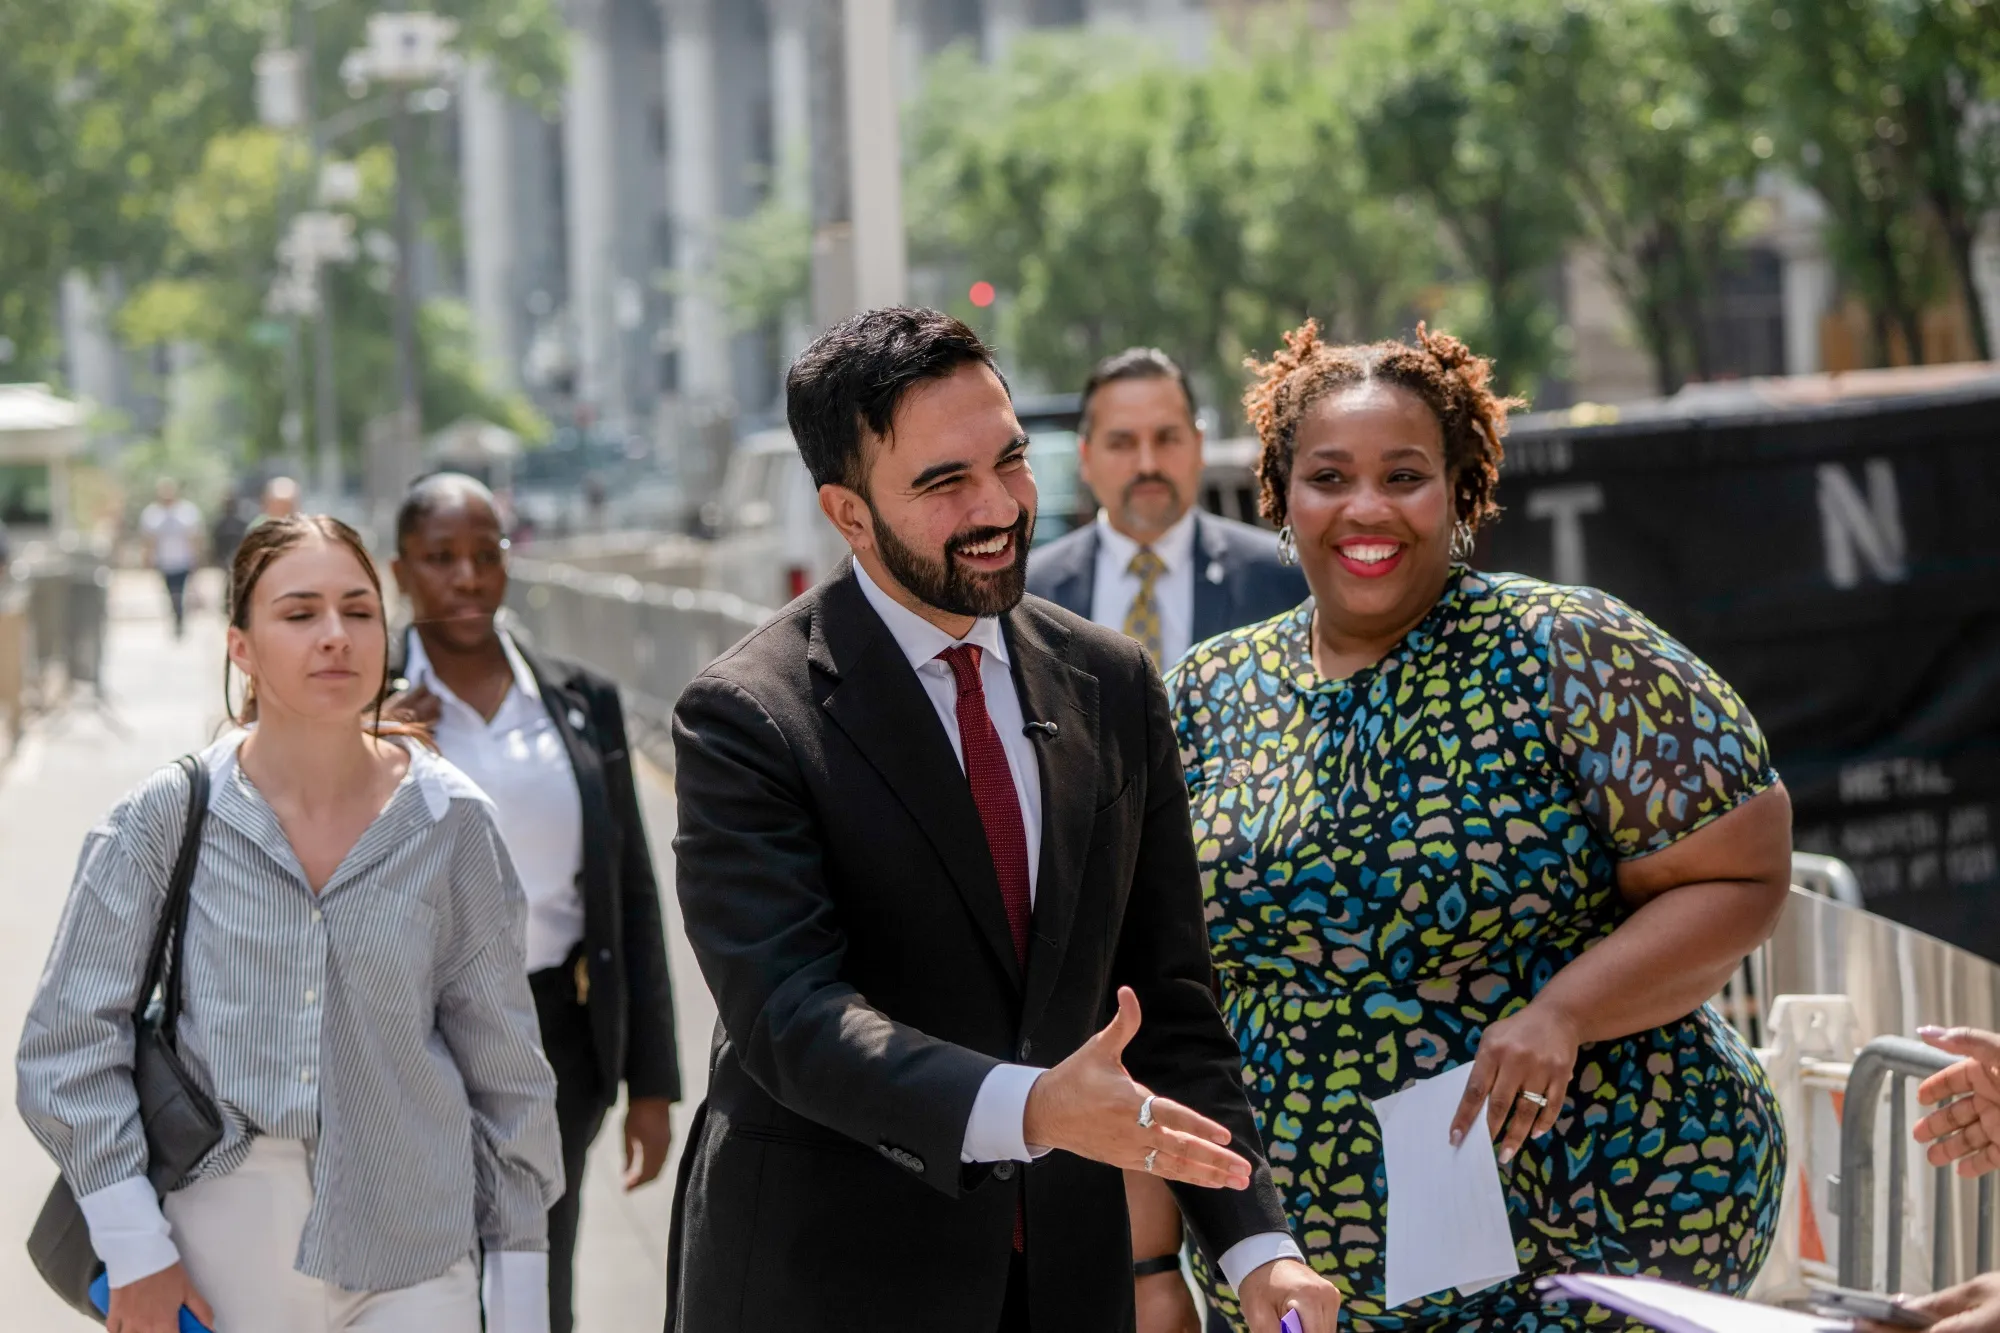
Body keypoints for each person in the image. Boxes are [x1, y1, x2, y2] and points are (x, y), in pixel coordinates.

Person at [667, 307, 1342, 1333]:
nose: (999, 506)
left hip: (1066, 1281)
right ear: (848, 516)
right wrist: (1031, 1107)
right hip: (829, 1280)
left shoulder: (1110, 682)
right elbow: (790, 1019)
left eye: (1012, 460)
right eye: (943, 483)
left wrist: (1258, 1249)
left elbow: (1165, 1001)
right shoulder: (747, 716)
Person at [1158, 321, 1794, 1330]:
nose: (1365, 508)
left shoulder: (1564, 650)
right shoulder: (1206, 691)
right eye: (1328, 476)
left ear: (1460, 491)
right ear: (1278, 494)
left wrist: (1565, 1011)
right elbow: (1160, 987)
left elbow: (1745, 869)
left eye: (1402, 475)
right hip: (1313, 1275)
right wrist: (1158, 1260)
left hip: (1596, 1214)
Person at [16, 514, 563, 1333]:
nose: (335, 636)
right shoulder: (164, 816)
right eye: (300, 613)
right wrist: (135, 1250)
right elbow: (66, 1041)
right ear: (241, 647)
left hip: (416, 1253)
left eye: (359, 610)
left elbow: (506, 1072)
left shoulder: (453, 824)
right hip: (215, 1252)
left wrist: (519, 1302)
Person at [386, 472, 682, 1333]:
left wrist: (652, 1082)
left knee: (537, 1274)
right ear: (402, 571)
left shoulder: (578, 699)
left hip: (557, 1034)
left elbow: (629, 889)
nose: (468, 577)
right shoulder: (367, 706)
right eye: (441, 558)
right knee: (432, 1280)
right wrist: (372, 749)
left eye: (486, 553)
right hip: (413, 1035)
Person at [1027, 348, 1304, 671]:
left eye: (1167, 438)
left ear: (1199, 445)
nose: (1147, 464)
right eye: (1122, 443)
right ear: (1086, 458)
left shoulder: (1284, 578)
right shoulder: (1032, 594)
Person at [138, 479, 202, 638]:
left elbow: (195, 537)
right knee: (171, 592)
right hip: (164, 562)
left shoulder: (187, 512)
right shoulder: (152, 514)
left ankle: (180, 619)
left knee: (180, 592)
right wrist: (147, 558)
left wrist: (197, 558)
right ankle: (176, 616)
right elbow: (148, 539)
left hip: (183, 560)